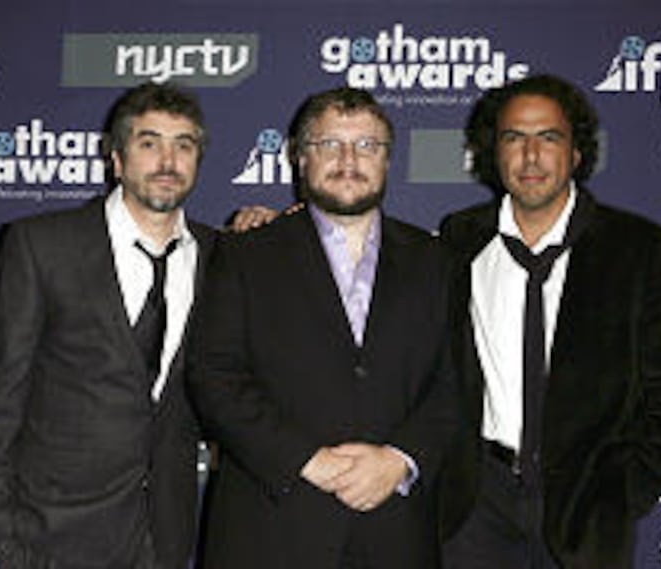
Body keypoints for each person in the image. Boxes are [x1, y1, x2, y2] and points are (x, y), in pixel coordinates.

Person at [438, 74, 661, 569]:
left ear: (577, 153)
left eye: (549, 137)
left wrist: (626, 488)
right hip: (478, 507)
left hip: (588, 505)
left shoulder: (635, 247)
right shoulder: (459, 240)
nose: (531, 156)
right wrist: (284, 229)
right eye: (514, 138)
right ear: (493, 154)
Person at [187, 86, 462, 569]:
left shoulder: (437, 260)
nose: (348, 159)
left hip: (395, 531)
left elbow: (457, 381)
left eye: (367, 146)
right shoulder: (243, 254)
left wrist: (400, 459)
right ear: (299, 158)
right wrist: (308, 460)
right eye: (329, 144)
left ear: (388, 159)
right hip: (270, 530)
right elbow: (215, 378)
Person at [0, 82, 222, 569]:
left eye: (183, 145)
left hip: (162, 537)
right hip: (48, 537)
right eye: (149, 143)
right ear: (118, 159)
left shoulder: (221, 257)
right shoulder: (42, 246)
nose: (168, 160)